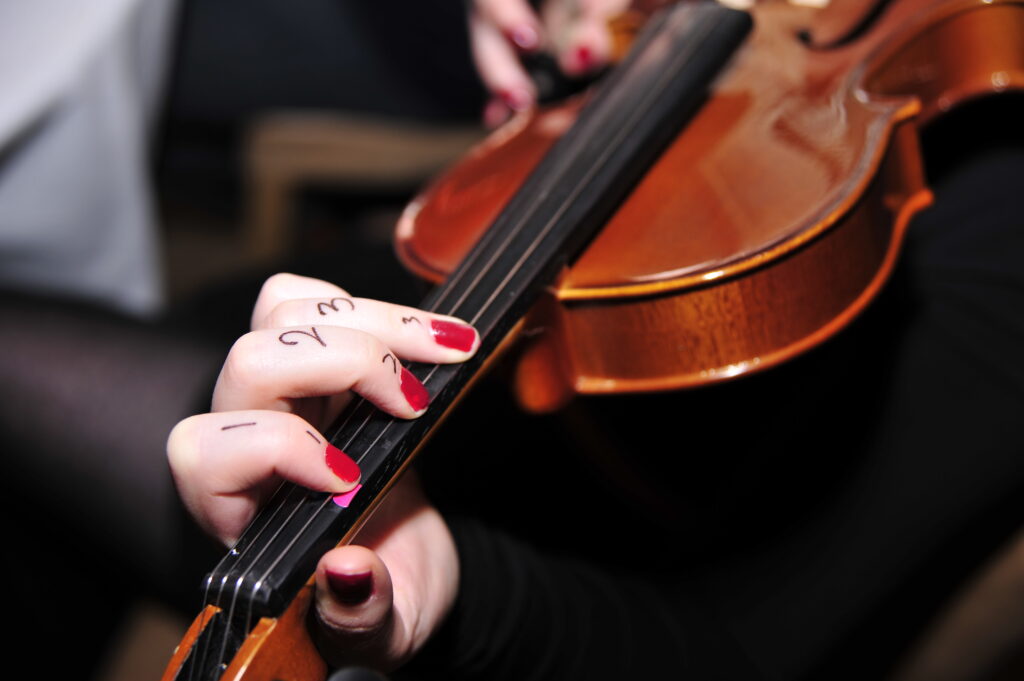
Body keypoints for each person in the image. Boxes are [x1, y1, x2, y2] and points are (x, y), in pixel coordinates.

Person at [167, 2, 1024, 680]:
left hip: (573, 556)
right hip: (486, 305)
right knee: (209, 335)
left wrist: (461, 588)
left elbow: (743, 649)